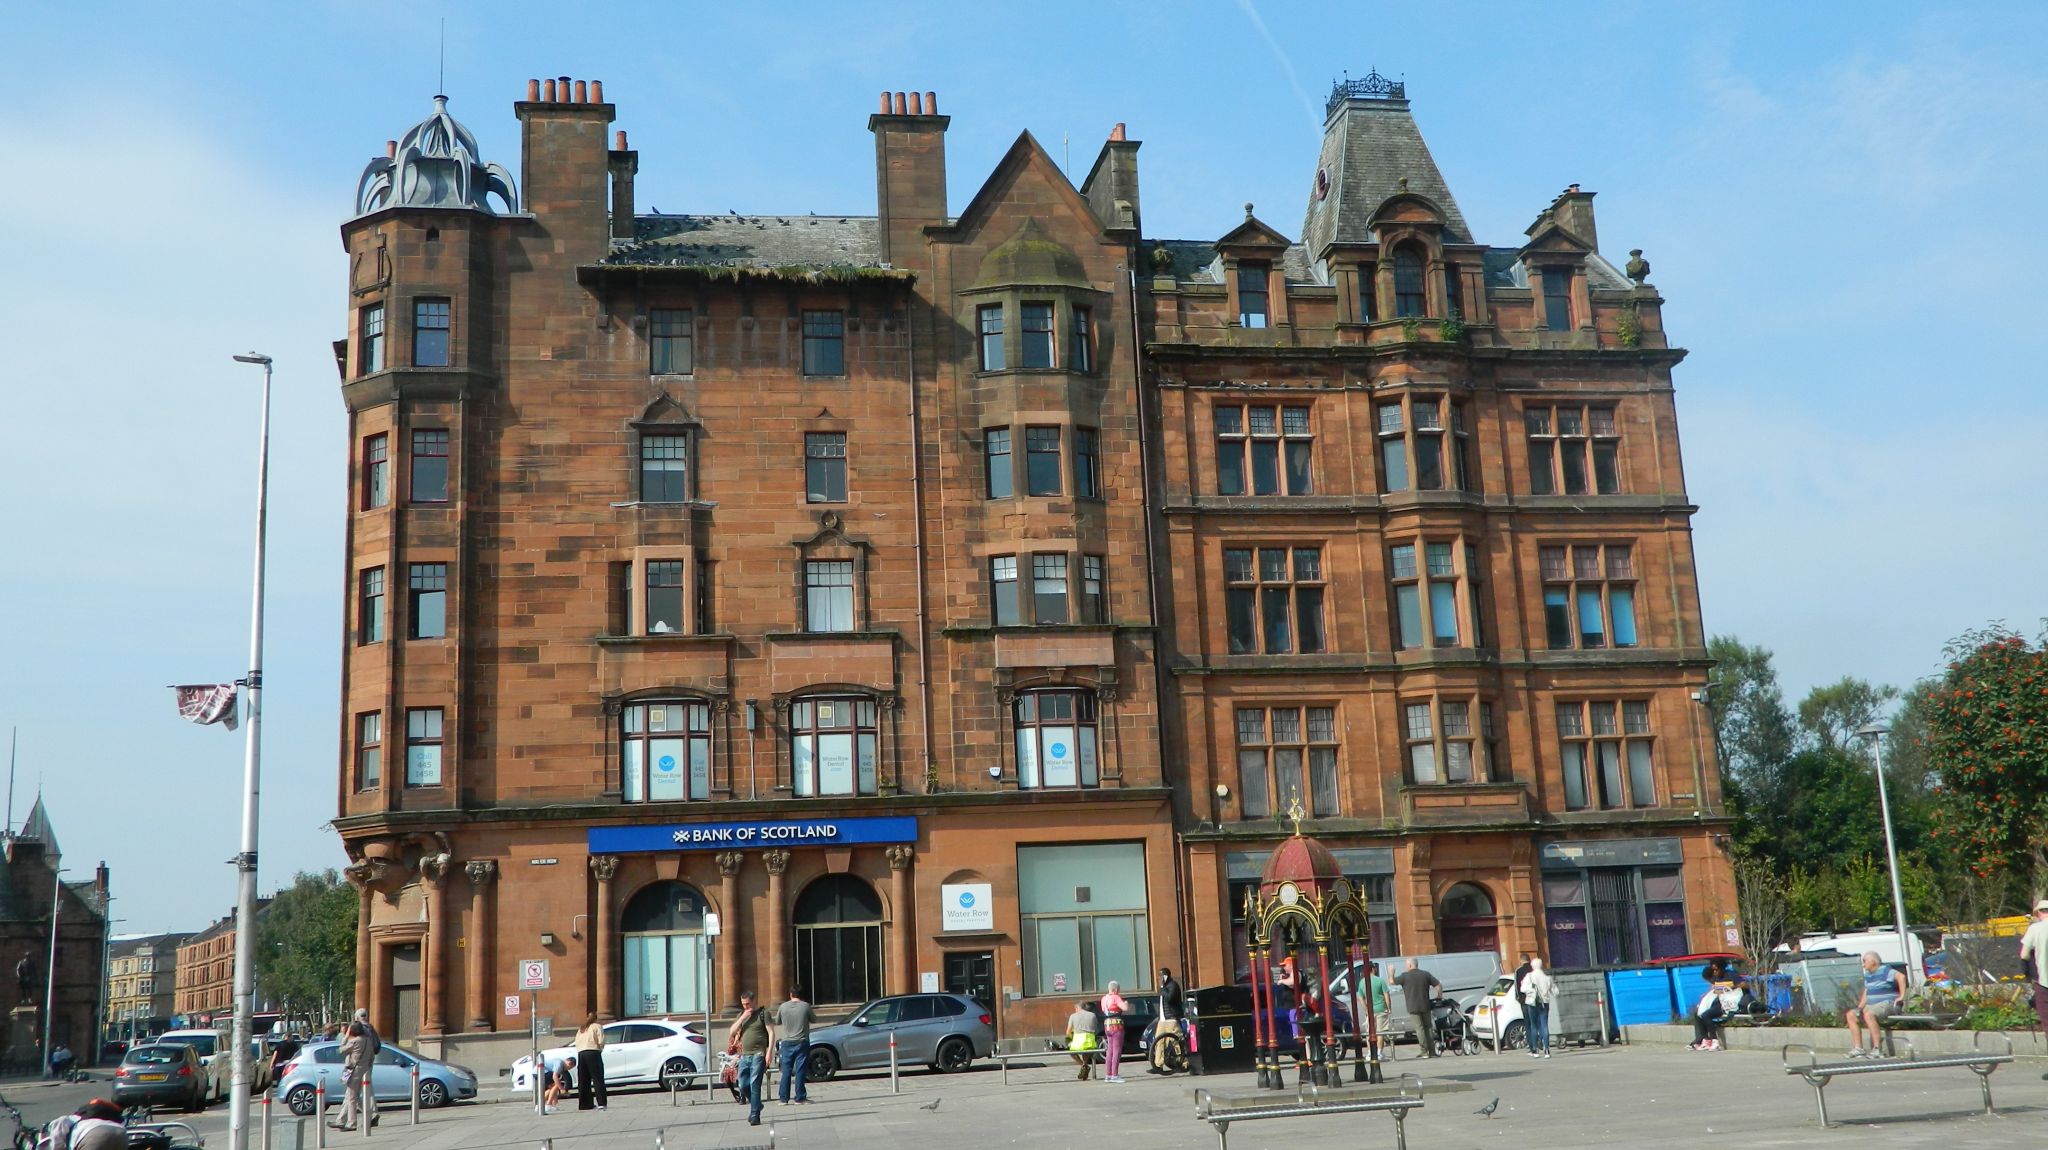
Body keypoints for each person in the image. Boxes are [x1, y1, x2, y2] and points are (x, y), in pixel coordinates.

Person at [1844, 950, 1905, 1058]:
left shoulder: (1885, 970)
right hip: (1871, 1005)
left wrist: (1901, 996)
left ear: (1873, 962)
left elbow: (1901, 977)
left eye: (1864, 961)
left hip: (1885, 1004)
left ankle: (1877, 1049)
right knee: (1851, 1015)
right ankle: (1858, 1048)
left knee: (1869, 1014)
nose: (1863, 965)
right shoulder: (1868, 974)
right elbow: (1867, 991)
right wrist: (1860, 1007)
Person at [728, 990, 774, 1127]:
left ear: (754, 1001)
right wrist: (742, 1017)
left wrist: (769, 1053)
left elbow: (771, 1033)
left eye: (748, 1004)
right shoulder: (742, 1015)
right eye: (743, 1004)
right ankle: (757, 1104)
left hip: (758, 1054)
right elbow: (732, 1032)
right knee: (743, 1084)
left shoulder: (763, 1014)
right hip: (744, 1055)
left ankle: (755, 1115)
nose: (746, 1007)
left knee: (755, 1084)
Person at [1393, 959, 1442, 1057]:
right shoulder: (1425, 974)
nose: (1406, 967)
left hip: (1413, 1006)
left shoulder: (1404, 976)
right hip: (1426, 1005)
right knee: (1428, 1028)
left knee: (1419, 1029)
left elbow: (1392, 982)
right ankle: (1432, 1051)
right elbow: (1438, 985)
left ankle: (1424, 1051)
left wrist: (1391, 973)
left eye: (1406, 965)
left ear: (1410, 965)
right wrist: (1439, 996)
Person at [776, 986, 814, 1105]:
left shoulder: (783, 1006)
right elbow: (814, 1019)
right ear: (801, 995)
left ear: (790, 994)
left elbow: (777, 1021)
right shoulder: (805, 1006)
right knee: (800, 1070)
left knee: (786, 1071)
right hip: (802, 1041)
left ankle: (783, 1098)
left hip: (787, 1042)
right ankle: (800, 1097)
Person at [2018, 899, 2048, 1039]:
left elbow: (2024, 955)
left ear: (2039, 913)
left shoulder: (2035, 929)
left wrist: (2027, 975)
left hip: (2044, 982)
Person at [332, 1021, 369, 1131]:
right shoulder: (368, 1040)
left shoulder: (355, 1041)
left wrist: (346, 1036)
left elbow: (341, 1049)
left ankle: (352, 1123)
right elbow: (371, 1056)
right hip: (363, 1069)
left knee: (352, 1097)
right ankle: (341, 1120)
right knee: (351, 1096)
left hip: (353, 1070)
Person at [1689, 960, 1734, 1051]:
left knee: (1705, 1014)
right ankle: (1702, 1039)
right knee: (1697, 1013)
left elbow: (1735, 988)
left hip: (1724, 1003)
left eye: (1716, 970)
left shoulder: (1730, 976)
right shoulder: (1716, 980)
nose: (1714, 972)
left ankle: (1712, 1040)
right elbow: (1712, 990)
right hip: (1715, 1002)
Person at [1149, 967, 1184, 1074]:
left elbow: (1170, 999)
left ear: (1165, 977)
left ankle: (1183, 1062)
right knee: (1159, 1042)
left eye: (1160, 976)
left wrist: (1163, 988)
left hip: (1171, 1019)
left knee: (1176, 1041)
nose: (1159, 979)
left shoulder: (1173, 985)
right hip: (1163, 1020)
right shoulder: (1164, 988)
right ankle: (1158, 1065)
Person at [1518, 958, 1555, 1058]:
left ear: (1532, 966)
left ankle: (1535, 1050)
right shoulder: (1547, 978)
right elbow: (1555, 992)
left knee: (1533, 1025)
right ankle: (1546, 1050)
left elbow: (1522, 989)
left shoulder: (1529, 976)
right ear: (1541, 965)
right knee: (1544, 1025)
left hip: (1532, 1002)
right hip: (1544, 1003)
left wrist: (1530, 991)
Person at [573, 1013, 607, 1111]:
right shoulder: (597, 1026)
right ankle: (601, 1103)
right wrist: (600, 1049)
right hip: (593, 1052)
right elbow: (601, 1040)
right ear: (596, 1019)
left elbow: (577, 1042)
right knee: (597, 1078)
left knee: (583, 1080)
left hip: (581, 1053)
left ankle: (585, 1104)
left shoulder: (582, 1028)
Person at [1098, 980, 1129, 1083]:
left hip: (1107, 1025)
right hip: (1117, 1025)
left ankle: (1108, 1074)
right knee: (1117, 1050)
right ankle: (1114, 1075)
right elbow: (1124, 1008)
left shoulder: (1104, 999)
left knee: (1109, 1051)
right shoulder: (1116, 997)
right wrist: (1125, 1003)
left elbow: (1104, 1010)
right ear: (1115, 989)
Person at [1065, 999, 1101, 1080]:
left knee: (1072, 1052)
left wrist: (1070, 1039)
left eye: (1075, 1009)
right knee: (1086, 1050)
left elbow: (1068, 1032)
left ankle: (1083, 1065)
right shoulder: (1092, 1015)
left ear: (1077, 1007)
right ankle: (1084, 1064)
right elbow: (1095, 1028)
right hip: (1090, 1041)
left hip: (1078, 1041)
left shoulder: (1073, 1016)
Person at [1365, 961, 1393, 1061]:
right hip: (1381, 1009)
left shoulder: (1362, 982)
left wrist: (1366, 1009)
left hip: (1370, 1010)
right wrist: (1389, 1007)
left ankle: (1369, 1053)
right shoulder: (1380, 981)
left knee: (1369, 1032)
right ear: (1373, 969)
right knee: (1380, 1032)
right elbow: (1386, 995)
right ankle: (1379, 1053)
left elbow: (1361, 998)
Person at [541, 1050, 573, 1114]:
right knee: (557, 1084)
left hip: (538, 1072)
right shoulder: (560, 1064)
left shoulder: (558, 1061)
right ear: (570, 1064)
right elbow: (554, 1076)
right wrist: (561, 1088)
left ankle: (540, 1105)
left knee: (551, 1088)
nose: (568, 1069)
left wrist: (555, 1101)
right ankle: (548, 1104)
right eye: (569, 1068)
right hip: (543, 1072)